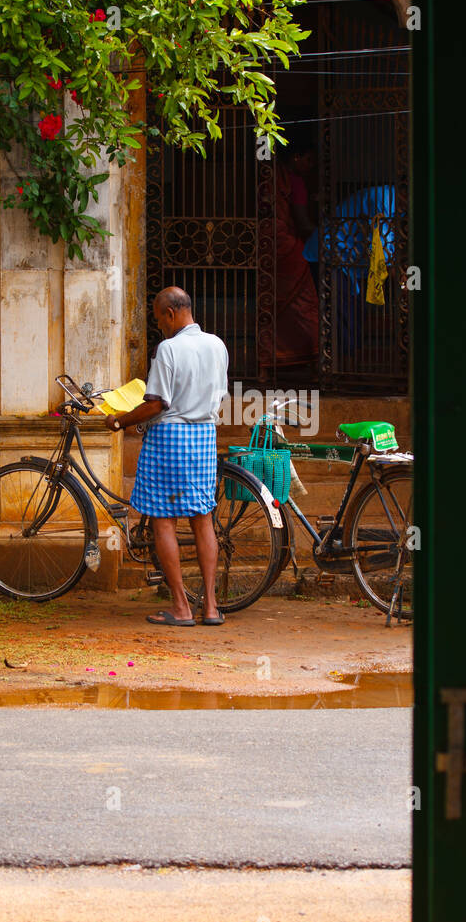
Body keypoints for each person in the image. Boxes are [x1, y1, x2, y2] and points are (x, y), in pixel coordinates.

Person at [105, 287, 229, 627]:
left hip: (171, 438)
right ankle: (211, 607)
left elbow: (157, 402)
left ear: (171, 314)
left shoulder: (169, 349)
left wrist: (120, 420)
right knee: (203, 518)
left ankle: (180, 607)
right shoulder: (217, 345)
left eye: (160, 319)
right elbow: (219, 397)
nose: (160, 325)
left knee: (163, 520)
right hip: (205, 436)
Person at [259, 132, 320, 374]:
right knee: (307, 303)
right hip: (288, 248)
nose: (311, 166)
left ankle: (268, 361)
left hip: (267, 246)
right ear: (297, 157)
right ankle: (313, 356)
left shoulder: (270, 178)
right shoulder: (294, 182)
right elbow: (304, 223)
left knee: (271, 304)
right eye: (309, 160)